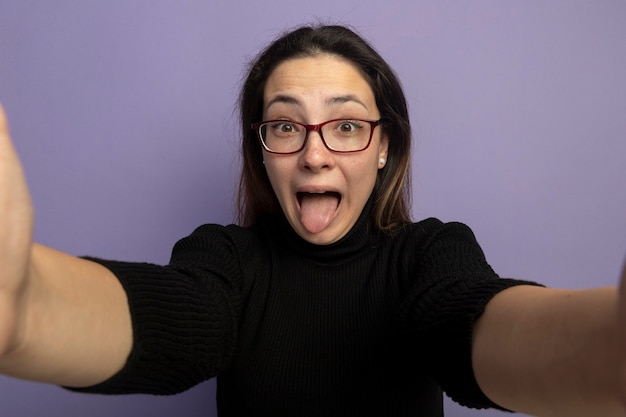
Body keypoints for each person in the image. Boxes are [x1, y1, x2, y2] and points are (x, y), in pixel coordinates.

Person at [0, 23, 625, 417]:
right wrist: (26, 309)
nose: (315, 152)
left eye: (347, 125)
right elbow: (176, 320)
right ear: (262, 150)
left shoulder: (431, 254)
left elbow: (472, 329)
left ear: (385, 148)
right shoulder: (226, 260)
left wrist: (605, 352)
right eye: (285, 125)